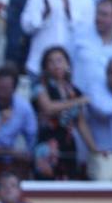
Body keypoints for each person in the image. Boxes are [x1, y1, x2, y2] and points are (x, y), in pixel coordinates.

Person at [20, 0, 95, 79]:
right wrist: (43, 16)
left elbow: (88, 31)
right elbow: (26, 26)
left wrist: (70, 14)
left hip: (73, 66)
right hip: (40, 66)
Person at [32, 46, 90, 180]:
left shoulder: (74, 90)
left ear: (67, 64)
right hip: (47, 145)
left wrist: (95, 148)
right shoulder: (40, 86)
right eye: (51, 62)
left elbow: (81, 123)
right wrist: (77, 102)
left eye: (59, 60)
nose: (56, 65)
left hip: (68, 146)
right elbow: (48, 108)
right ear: (45, 67)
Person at [0, 63, 38, 173]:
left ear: (14, 89)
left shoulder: (24, 108)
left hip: (11, 162)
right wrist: (10, 152)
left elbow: (32, 137)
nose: (1, 94)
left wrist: (26, 154)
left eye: (5, 89)